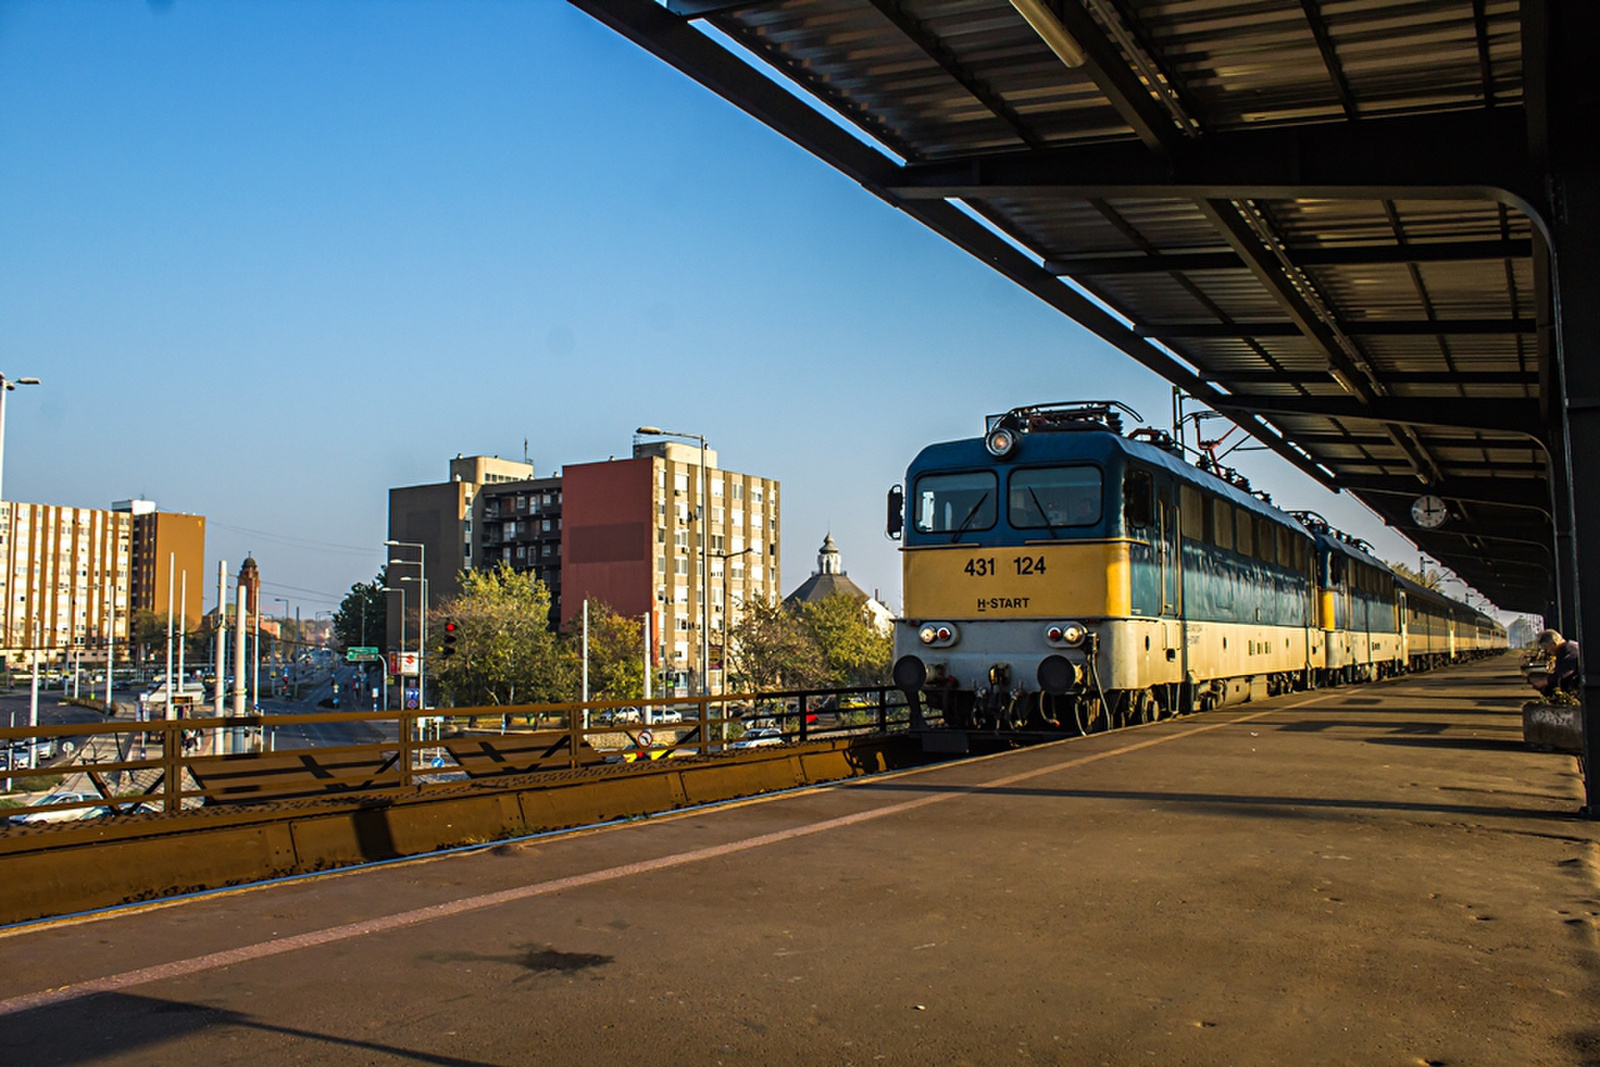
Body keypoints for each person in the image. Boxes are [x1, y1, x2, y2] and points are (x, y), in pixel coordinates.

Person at [1529, 629, 1581, 697]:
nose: (1547, 651)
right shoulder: (1567, 648)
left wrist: (1543, 682)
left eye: (1546, 648)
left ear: (1553, 644)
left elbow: (1562, 674)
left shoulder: (1569, 651)